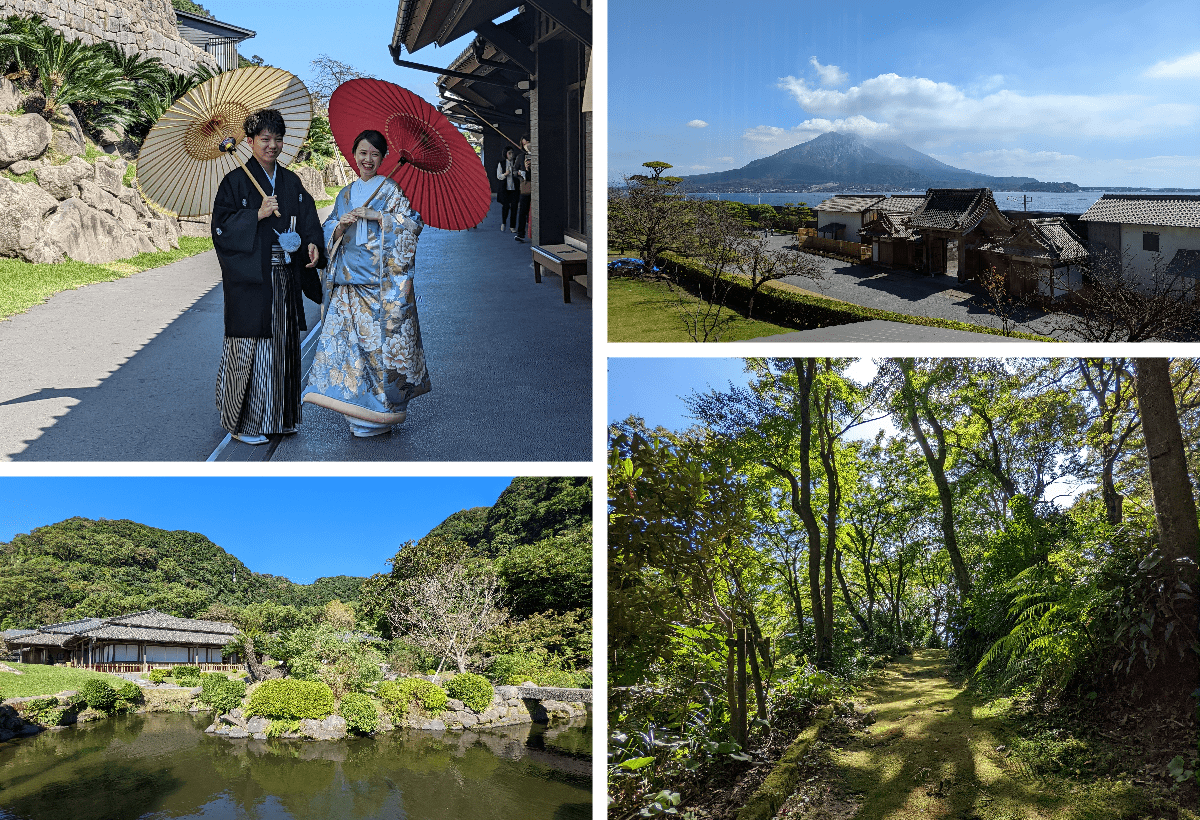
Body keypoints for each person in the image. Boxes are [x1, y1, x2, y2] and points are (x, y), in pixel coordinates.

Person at [301, 129, 429, 437]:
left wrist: (379, 216)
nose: (367, 160)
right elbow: (329, 224)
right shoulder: (345, 193)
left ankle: (381, 413)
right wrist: (338, 226)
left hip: (378, 286)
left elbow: (412, 224)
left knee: (377, 352)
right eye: (362, 153)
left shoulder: (391, 190)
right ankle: (355, 408)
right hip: (346, 283)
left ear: (383, 158)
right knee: (348, 349)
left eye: (374, 154)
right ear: (354, 155)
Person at [211, 108, 325, 445]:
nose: (272, 145)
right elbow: (220, 230)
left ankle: (279, 417)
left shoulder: (291, 182)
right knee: (250, 348)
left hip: (285, 277)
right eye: (264, 139)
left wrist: (312, 246)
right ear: (249, 142)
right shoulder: (234, 182)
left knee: (283, 348)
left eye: (277, 139)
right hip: (252, 281)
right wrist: (254, 215)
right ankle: (243, 422)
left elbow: (308, 221)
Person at [496, 146, 522, 231]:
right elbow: (499, 176)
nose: (511, 155)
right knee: (506, 207)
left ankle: (512, 226)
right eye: (509, 153)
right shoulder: (501, 163)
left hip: (514, 189)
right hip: (505, 189)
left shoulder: (516, 162)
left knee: (514, 208)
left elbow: (519, 173)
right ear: (506, 154)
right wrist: (505, 174)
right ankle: (503, 222)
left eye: (512, 153)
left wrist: (518, 173)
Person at [514, 153, 532, 243]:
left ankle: (533, 233)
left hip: (537, 187)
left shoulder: (537, 155)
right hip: (526, 186)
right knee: (523, 211)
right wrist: (520, 172)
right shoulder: (521, 157)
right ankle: (520, 234)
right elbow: (514, 170)